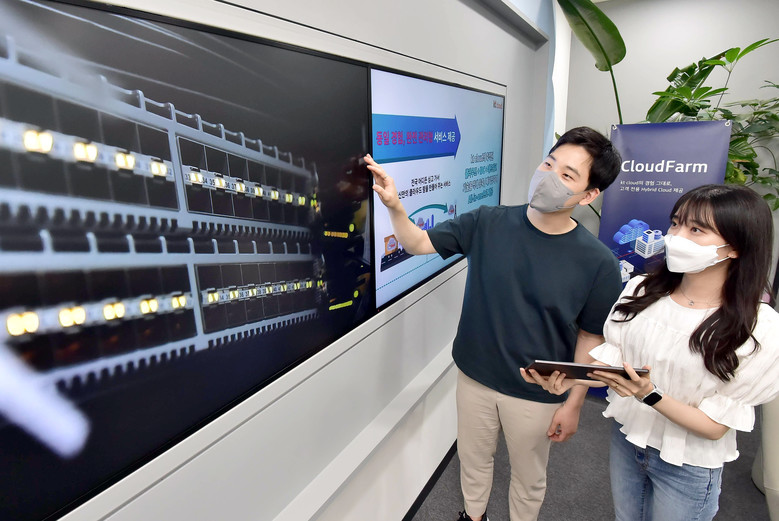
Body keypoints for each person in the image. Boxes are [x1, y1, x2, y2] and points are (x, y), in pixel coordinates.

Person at [365, 126, 624, 521]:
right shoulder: (488, 222)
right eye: (549, 163)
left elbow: (590, 336)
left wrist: (573, 403)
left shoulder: (598, 262)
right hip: (476, 376)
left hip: (537, 391)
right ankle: (473, 517)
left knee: (528, 477)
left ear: (589, 195)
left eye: (567, 175)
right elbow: (418, 243)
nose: (549, 177)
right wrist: (395, 205)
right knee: (473, 460)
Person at [522, 184, 779, 521]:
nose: (675, 236)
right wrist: (572, 379)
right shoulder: (641, 290)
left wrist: (649, 394)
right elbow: (616, 360)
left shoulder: (759, 327)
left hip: (688, 463)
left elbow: (715, 427)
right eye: (676, 223)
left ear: (735, 247)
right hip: (629, 440)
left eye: (696, 230)